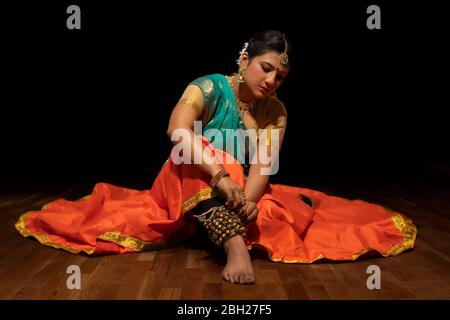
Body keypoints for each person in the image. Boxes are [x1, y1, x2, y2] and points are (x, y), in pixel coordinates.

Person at [15, 30, 417, 285]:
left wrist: (248, 199)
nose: (271, 81)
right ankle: (234, 247)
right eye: (266, 68)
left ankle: (233, 221)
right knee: (194, 148)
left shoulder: (274, 110)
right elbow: (176, 129)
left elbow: (263, 164)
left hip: (239, 190)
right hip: (184, 180)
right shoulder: (207, 87)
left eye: (280, 77)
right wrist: (221, 177)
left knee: (280, 216)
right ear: (244, 59)